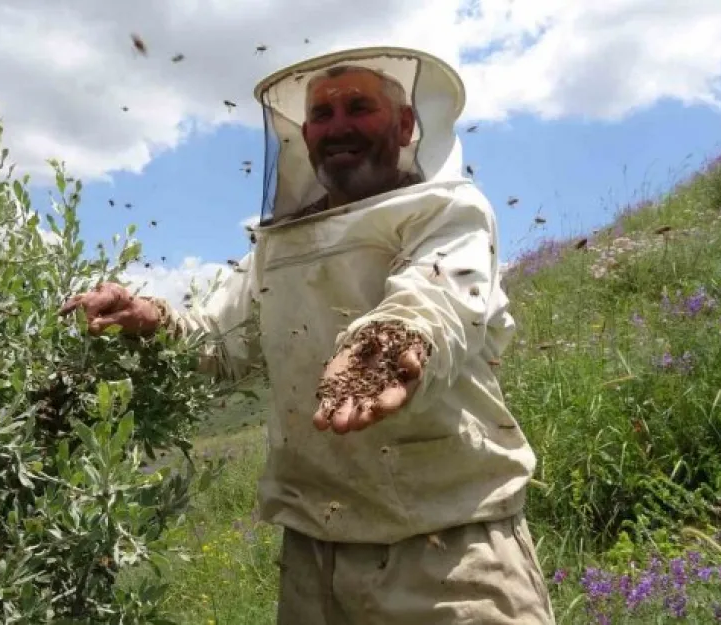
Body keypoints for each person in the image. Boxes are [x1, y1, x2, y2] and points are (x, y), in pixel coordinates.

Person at [59, 46, 555, 624]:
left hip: (449, 552)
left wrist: (394, 339)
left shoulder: (446, 210)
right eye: (322, 114)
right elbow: (219, 340)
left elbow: (437, 296)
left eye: (358, 106)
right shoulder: (279, 245)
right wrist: (149, 318)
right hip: (314, 560)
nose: (337, 125)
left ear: (404, 124)